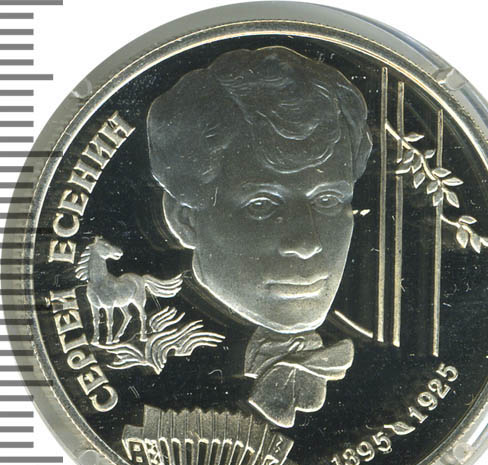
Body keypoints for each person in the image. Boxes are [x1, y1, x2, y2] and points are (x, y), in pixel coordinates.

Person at [147, 46, 373, 427]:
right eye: (263, 205)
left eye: (328, 199)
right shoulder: (161, 369)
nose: (306, 244)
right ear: (185, 219)